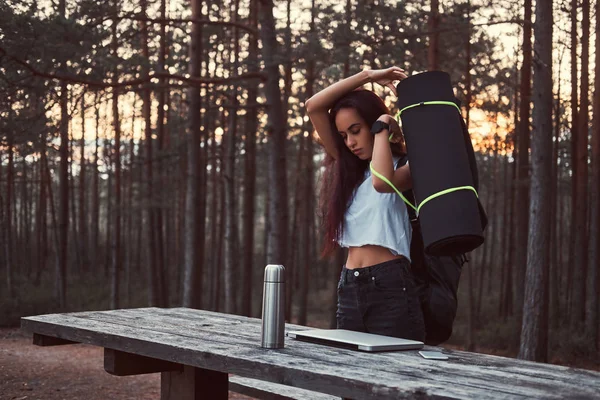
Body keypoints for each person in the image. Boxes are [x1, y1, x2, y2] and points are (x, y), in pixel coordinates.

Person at [305, 67, 425, 342]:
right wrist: (367, 76)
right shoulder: (351, 169)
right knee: (349, 375)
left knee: (397, 377)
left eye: (356, 131)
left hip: (391, 285)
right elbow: (314, 106)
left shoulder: (407, 165)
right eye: (344, 135)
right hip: (349, 285)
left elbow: (383, 181)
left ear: (373, 124)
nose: (349, 142)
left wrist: (383, 126)